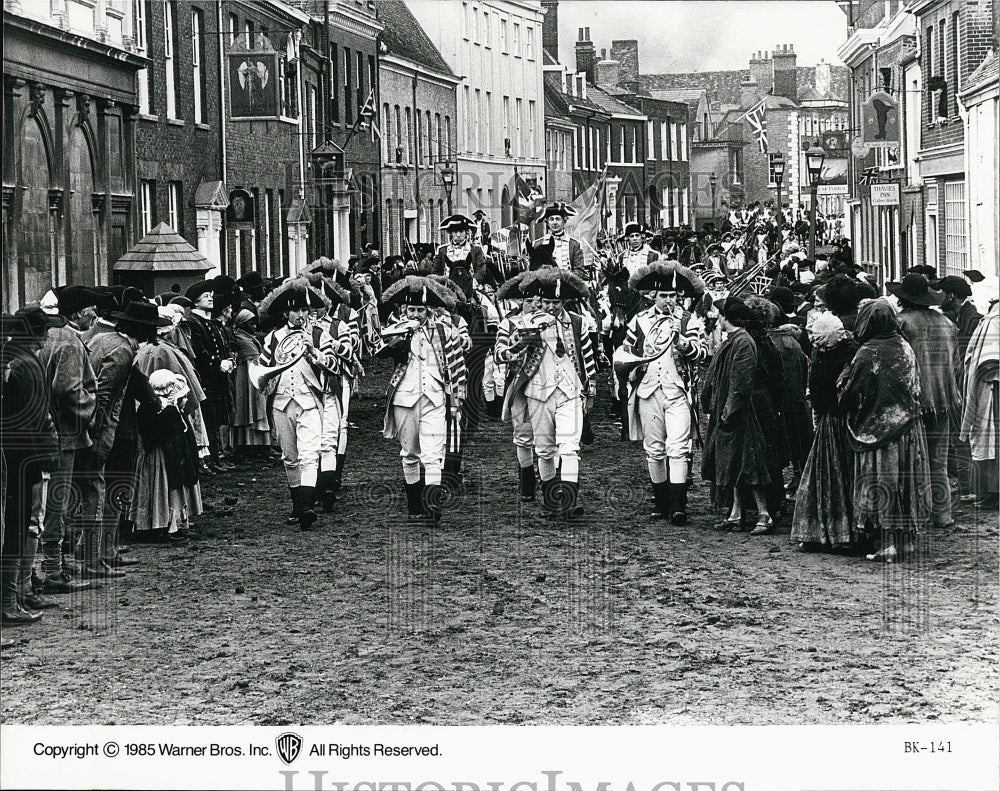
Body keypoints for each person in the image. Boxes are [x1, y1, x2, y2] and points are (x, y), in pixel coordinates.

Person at [838, 299, 932, 562]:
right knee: (905, 481)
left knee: (882, 481)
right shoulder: (905, 346)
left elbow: (851, 391)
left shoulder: (868, 352)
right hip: (908, 428)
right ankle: (907, 541)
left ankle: (887, 543)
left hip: (877, 429)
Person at [501, 267, 596, 519]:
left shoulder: (577, 322)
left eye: (556, 302)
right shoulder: (522, 324)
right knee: (544, 450)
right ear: (538, 301)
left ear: (563, 302)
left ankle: (570, 501)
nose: (552, 307)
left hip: (570, 391)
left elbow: (588, 358)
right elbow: (502, 355)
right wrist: (523, 341)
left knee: (569, 448)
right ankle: (551, 499)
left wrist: (591, 390)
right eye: (546, 302)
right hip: (537, 393)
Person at [617, 262, 707, 524]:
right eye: (663, 296)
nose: (668, 301)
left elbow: (702, 353)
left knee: (677, 448)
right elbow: (626, 351)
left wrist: (682, 342)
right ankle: (661, 502)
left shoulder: (688, 320)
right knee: (654, 449)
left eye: (672, 296)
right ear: (652, 296)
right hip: (648, 390)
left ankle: (679, 506)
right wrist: (633, 367)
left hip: (677, 391)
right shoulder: (640, 320)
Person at [377, 276, 467, 524]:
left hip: (435, 397)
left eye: (420, 309)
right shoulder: (395, 328)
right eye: (411, 309)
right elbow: (378, 350)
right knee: (409, 453)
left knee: (433, 454)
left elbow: (457, 366)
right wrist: (398, 339)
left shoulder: (443, 330)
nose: (415, 314)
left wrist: (457, 399)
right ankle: (414, 505)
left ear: (428, 310)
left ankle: (432, 505)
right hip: (404, 398)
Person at [254, 283, 336, 530]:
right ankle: (297, 505)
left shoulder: (320, 334)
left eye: (304, 310)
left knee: (310, 455)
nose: (300, 316)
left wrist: (316, 355)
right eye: (294, 311)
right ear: (285, 314)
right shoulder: (273, 337)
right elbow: (262, 367)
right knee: (290, 457)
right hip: (281, 402)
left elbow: (334, 365)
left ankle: (308, 506)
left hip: (309, 400)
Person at [35, 288, 99, 594]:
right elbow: (68, 390)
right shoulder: (70, 342)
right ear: (75, 314)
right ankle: (53, 570)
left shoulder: (49, 335)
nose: (94, 315)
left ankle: (56, 562)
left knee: (51, 502)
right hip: (64, 434)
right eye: (90, 310)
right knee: (57, 504)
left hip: (45, 429)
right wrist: (91, 409)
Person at [700, 297, 782, 535]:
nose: (718, 320)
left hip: (740, 415)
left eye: (721, 316)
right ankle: (736, 513)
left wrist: (728, 412)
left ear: (728, 318)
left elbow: (740, 383)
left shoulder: (744, 342)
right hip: (729, 411)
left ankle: (764, 515)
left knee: (750, 465)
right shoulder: (735, 339)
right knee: (732, 463)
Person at [1, 309, 61, 626]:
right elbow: (30, 419)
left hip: (19, 457)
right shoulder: (23, 365)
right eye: (44, 330)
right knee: (16, 527)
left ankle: (17, 595)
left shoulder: (19, 361)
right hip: (21, 458)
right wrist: (43, 456)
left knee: (20, 525)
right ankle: (10, 602)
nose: (48, 335)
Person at [890, 273, 959, 529]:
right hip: (942, 397)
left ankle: (918, 513)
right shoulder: (947, 323)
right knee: (938, 460)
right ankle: (943, 514)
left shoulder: (901, 324)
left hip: (914, 399)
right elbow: (956, 365)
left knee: (913, 459)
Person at [790, 313, 858, 551]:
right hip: (847, 422)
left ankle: (826, 533)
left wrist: (819, 414)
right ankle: (847, 534)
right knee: (846, 476)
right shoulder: (850, 351)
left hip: (834, 422)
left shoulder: (830, 355)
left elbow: (821, 392)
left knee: (827, 476)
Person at [132, 370, 202, 542]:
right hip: (160, 457)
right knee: (163, 490)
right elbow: (166, 431)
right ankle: (164, 526)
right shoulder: (165, 409)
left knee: (160, 490)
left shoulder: (155, 407)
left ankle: (165, 524)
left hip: (157, 455)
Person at [493, 273, 539, 502]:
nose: (535, 304)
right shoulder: (509, 323)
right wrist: (511, 351)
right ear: (521, 301)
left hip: (550, 385)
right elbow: (499, 352)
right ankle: (527, 482)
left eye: (538, 299)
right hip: (521, 383)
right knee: (523, 435)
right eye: (529, 300)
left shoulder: (555, 322)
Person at [185, 281, 236, 473]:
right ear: (196, 301)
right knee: (208, 418)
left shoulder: (209, 321)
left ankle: (216, 457)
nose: (210, 298)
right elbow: (199, 351)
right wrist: (217, 363)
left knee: (217, 418)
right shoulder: (193, 323)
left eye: (211, 295)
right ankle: (211, 458)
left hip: (218, 378)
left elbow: (222, 345)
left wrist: (229, 359)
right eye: (206, 296)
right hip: (207, 379)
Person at [959, 301, 1000, 507]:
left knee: (991, 440)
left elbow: (988, 361)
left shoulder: (993, 322)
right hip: (991, 387)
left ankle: (993, 493)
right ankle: (986, 490)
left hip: (993, 389)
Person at [535, 203, 587, 277]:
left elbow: (579, 270)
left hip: (569, 284)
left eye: (558, 219)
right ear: (547, 223)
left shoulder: (574, 244)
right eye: (551, 219)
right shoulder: (539, 243)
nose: (555, 223)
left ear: (564, 221)